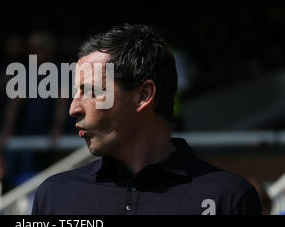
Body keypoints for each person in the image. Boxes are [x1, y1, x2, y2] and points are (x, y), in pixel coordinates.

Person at [32, 24, 261, 215]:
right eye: (75, 93)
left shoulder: (229, 198)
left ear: (143, 95)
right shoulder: (54, 196)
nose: (74, 108)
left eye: (91, 91)